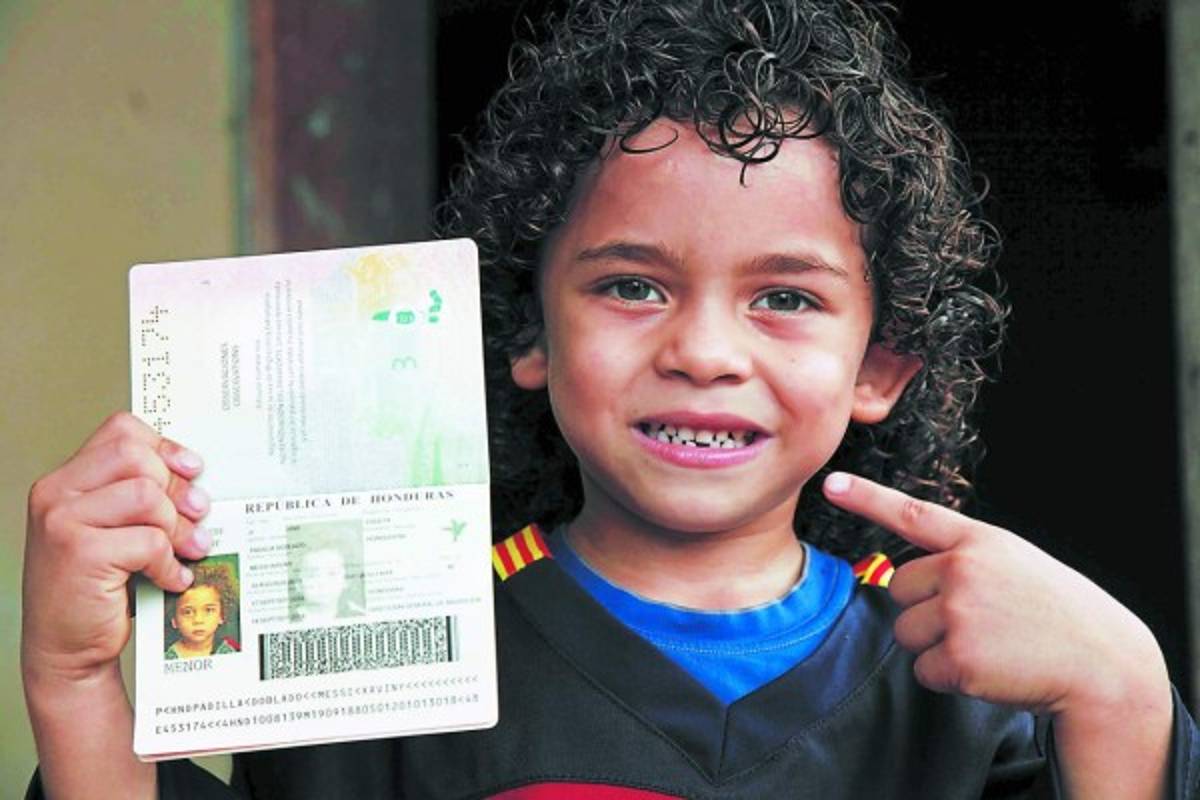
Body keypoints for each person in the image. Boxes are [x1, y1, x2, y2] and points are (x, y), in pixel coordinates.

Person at [21, 0, 1199, 797]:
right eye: (633, 284)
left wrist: (1123, 689)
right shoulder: (374, 678)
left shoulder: (967, 691)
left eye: (785, 297)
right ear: (531, 330)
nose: (702, 348)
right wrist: (73, 686)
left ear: (882, 365)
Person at [164, 561, 240, 659]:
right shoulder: (167, 657)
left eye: (208, 610)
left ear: (221, 616)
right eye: (188, 612)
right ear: (174, 620)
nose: (198, 620)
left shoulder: (229, 652)